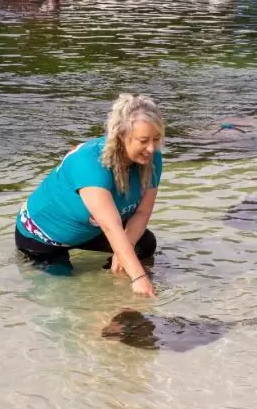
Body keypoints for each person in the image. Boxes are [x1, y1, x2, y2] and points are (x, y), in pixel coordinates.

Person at [15, 94, 164, 297]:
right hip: (44, 237)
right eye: (143, 140)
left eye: (156, 139)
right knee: (64, 291)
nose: (151, 149)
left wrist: (124, 256)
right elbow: (111, 228)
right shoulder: (90, 163)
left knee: (144, 245)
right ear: (121, 135)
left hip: (89, 229)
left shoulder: (152, 159)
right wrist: (138, 278)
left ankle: (109, 290)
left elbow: (142, 212)